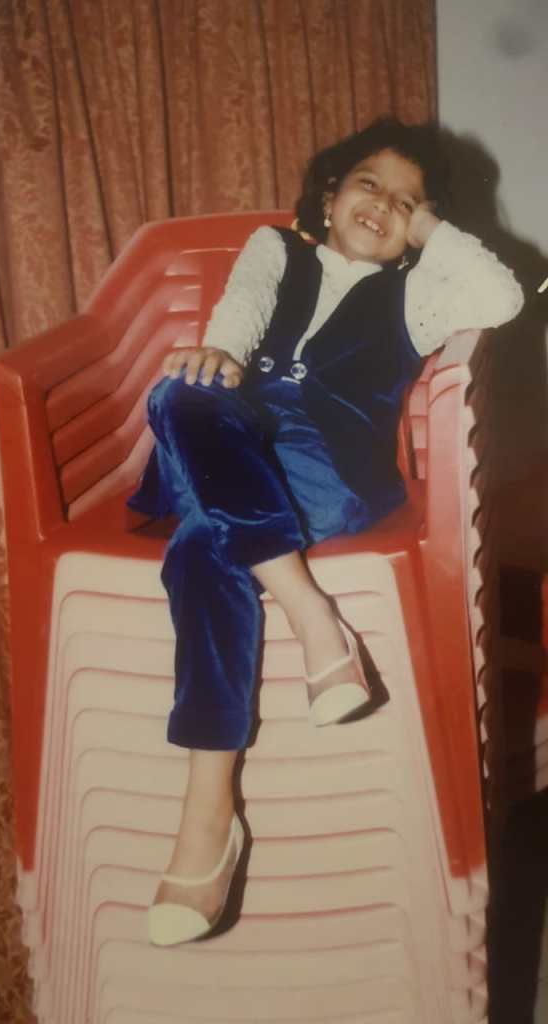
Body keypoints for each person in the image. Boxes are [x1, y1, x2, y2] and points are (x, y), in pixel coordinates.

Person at [128, 118, 524, 947]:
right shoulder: (277, 250)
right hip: (225, 439)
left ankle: (208, 812)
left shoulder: (416, 297)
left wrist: (430, 232)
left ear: (421, 226)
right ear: (331, 192)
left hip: (329, 471)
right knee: (178, 390)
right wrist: (221, 357)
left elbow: (503, 299)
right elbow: (239, 312)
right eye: (369, 184)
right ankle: (314, 616)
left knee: (204, 541)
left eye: (409, 202)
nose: (385, 205)